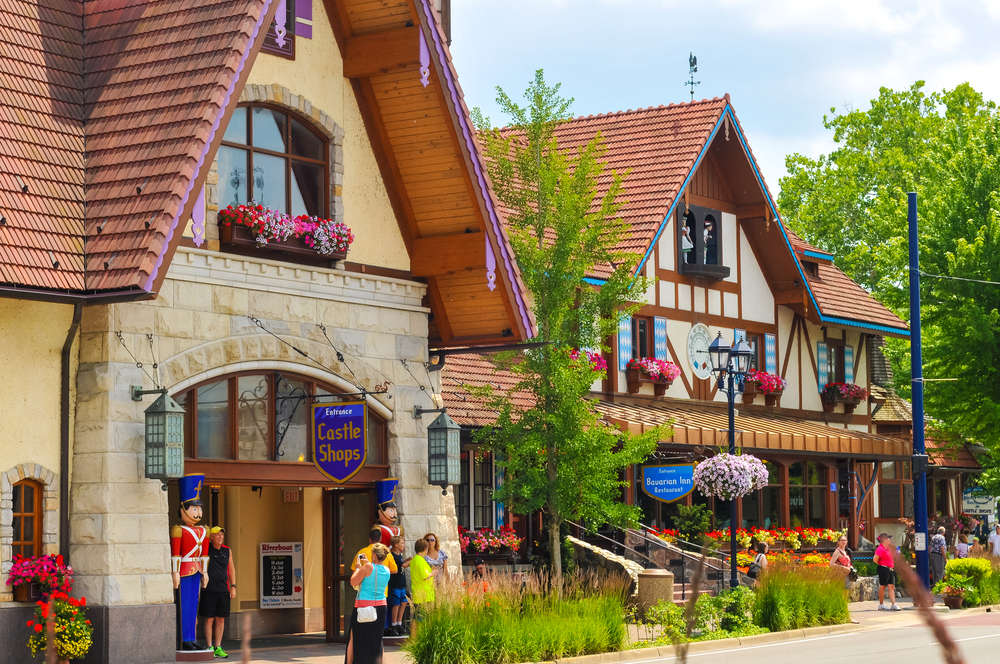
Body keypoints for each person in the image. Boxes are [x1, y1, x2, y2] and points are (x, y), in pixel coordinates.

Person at [170, 474, 210, 651]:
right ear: (183, 509)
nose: (198, 513)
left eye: (199, 509)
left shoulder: (204, 530)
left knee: (194, 605)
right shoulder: (178, 530)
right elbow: (176, 555)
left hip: (198, 570)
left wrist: (206, 572)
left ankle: (192, 637)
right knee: (185, 605)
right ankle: (185, 638)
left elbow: (205, 554)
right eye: (194, 509)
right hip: (185, 570)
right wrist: (175, 572)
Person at [347, 543, 391, 664]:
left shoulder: (367, 567)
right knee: (377, 638)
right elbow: (375, 572)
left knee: (354, 637)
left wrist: (357, 568)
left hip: (363, 606)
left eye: (372, 554)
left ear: (375, 556)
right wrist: (368, 562)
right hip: (381, 606)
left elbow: (353, 581)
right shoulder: (387, 570)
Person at [199, 526, 236, 659]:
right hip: (208, 589)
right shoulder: (206, 549)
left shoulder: (227, 550)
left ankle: (218, 647)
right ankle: (209, 646)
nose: (220, 537)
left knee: (221, 619)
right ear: (212, 537)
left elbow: (231, 569)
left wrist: (233, 586)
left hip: (223, 589)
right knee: (209, 619)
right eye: (217, 534)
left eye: (222, 534)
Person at [409, 539, 436, 640]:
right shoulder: (420, 560)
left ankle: (414, 638)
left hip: (419, 593)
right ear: (425, 549)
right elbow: (425, 576)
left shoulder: (415, 560)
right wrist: (433, 573)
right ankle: (416, 638)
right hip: (423, 595)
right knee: (420, 618)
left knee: (417, 617)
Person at [387, 536, 410, 636]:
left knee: (404, 602)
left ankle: (399, 623)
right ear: (396, 545)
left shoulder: (399, 555)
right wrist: (413, 560)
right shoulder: (392, 556)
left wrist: (407, 559)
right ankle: (393, 624)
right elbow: (403, 565)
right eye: (402, 543)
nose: (403, 545)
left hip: (402, 584)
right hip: (395, 584)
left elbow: (402, 562)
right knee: (396, 605)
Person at [873, 533, 902, 611]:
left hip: (890, 569)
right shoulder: (880, 548)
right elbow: (875, 559)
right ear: (883, 540)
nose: (889, 540)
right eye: (888, 538)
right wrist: (882, 564)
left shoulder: (888, 548)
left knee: (891, 586)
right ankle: (881, 604)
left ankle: (893, 604)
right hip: (883, 568)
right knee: (883, 586)